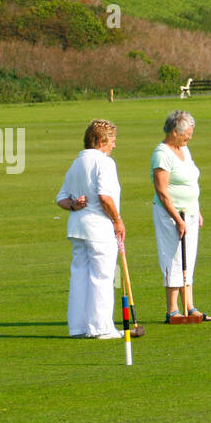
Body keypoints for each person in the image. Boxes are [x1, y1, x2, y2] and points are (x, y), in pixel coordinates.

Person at [55, 119, 125, 339]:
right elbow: (105, 197)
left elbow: (61, 199)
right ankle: (101, 328)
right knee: (102, 277)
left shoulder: (76, 163)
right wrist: (118, 219)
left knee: (79, 276)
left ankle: (78, 327)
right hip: (99, 229)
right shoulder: (104, 163)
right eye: (112, 141)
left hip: (77, 228)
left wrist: (75, 205)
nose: (114, 146)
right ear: (100, 140)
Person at [150, 110, 211, 322]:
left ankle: (190, 306)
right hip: (170, 215)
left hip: (190, 212)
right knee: (174, 258)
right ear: (175, 132)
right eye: (188, 133)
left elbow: (191, 182)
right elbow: (162, 190)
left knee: (189, 258)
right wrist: (178, 219)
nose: (190, 137)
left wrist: (197, 210)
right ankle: (172, 309)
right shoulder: (162, 154)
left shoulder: (185, 150)